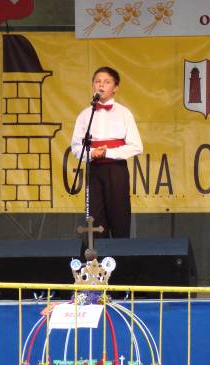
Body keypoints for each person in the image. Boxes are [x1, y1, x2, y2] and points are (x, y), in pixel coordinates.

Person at [71, 66, 143, 238]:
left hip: (116, 170)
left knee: (119, 217)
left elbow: (136, 146)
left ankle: (121, 253)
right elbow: (76, 146)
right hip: (94, 170)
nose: (101, 85)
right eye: (97, 81)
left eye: (106, 82)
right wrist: (92, 153)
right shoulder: (85, 115)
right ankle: (97, 254)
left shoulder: (124, 113)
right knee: (95, 219)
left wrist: (107, 153)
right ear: (93, 86)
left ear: (115, 87)